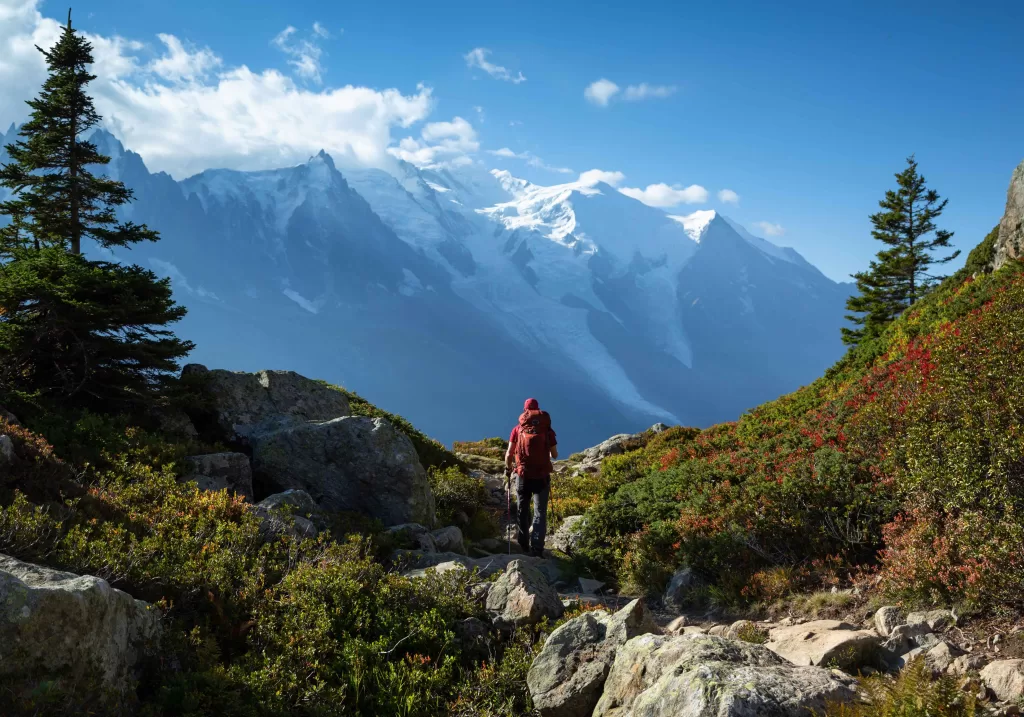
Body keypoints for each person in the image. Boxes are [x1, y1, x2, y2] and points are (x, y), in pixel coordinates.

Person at [505, 398, 558, 557]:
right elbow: (554, 455)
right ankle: (537, 548)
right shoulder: (548, 430)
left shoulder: (517, 429)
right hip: (541, 477)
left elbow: (509, 454)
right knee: (540, 512)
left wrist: (508, 469)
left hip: (523, 475)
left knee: (522, 510)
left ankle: (523, 544)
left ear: (525, 411)